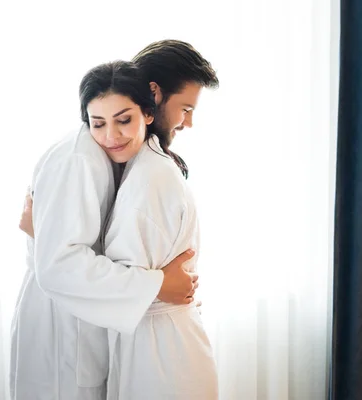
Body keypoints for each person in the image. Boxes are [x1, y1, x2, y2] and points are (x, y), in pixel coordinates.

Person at [16, 40, 219, 399]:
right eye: (185, 107)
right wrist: (158, 286)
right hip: (62, 330)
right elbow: (58, 265)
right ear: (154, 97)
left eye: (124, 120)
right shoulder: (82, 159)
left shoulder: (132, 161)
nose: (188, 121)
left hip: (90, 323)